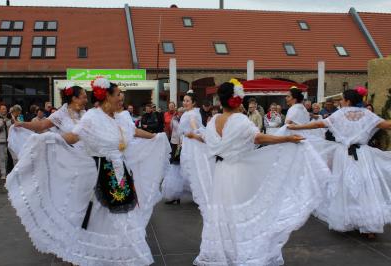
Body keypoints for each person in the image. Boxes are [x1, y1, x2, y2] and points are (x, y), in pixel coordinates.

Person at [6, 77, 170, 265]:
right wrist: (51, 140)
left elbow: (133, 131)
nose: (121, 99)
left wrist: (155, 137)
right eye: (118, 95)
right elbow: (75, 136)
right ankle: (100, 252)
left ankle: (127, 254)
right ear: (107, 96)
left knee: (125, 217)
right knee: (100, 216)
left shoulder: (120, 117)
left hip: (120, 174)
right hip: (99, 173)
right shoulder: (92, 117)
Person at [187, 79, 330, 266]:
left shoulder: (214, 120)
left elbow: (208, 140)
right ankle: (243, 251)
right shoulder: (240, 120)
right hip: (239, 171)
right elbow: (258, 137)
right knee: (243, 209)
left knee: (225, 210)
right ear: (237, 100)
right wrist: (287, 139)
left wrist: (194, 136)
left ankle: (226, 251)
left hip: (221, 171)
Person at [288, 88, 391, 239]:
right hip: (363, 155)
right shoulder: (367, 114)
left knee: (346, 186)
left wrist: (297, 127)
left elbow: (319, 125)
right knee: (365, 186)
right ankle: (370, 226)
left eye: (342, 99)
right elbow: (386, 125)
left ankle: (349, 221)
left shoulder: (340, 114)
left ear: (348, 101)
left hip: (345, 155)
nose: (340, 102)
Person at [162, 107, 188, 204]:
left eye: (183, 112)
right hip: (177, 145)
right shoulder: (175, 120)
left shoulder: (185, 120)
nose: (181, 114)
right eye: (180, 112)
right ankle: (175, 195)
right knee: (175, 168)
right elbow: (177, 131)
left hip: (184, 145)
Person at [0, 104, 13, 179]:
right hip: (0, 141)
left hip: (8, 140)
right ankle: (3, 174)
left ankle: (6, 173)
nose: (5, 110)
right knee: (1, 158)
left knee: (6, 157)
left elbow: (9, 127)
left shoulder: (7, 118)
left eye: (5, 108)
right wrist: (2, 122)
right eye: (3, 109)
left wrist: (11, 120)